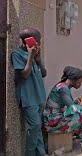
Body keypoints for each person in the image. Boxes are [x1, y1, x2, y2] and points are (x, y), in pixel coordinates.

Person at [43, 66, 82, 153]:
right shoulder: (63, 88)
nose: (80, 84)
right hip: (53, 124)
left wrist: (77, 103)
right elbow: (73, 109)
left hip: (53, 121)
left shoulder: (63, 86)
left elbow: (67, 106)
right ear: (74, 79)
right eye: (80, 82)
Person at [11, 28, 47, 156]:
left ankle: (41, 153)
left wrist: (38, 59)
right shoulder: (17, 54)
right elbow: (24, 74)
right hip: (28, 98)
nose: (39, 44)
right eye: (37, 41)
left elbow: (44, 73)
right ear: (28, 41)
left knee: (37, 129)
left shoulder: (35, 55)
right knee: (34, 127)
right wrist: (30, 57)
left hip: (39, 97)